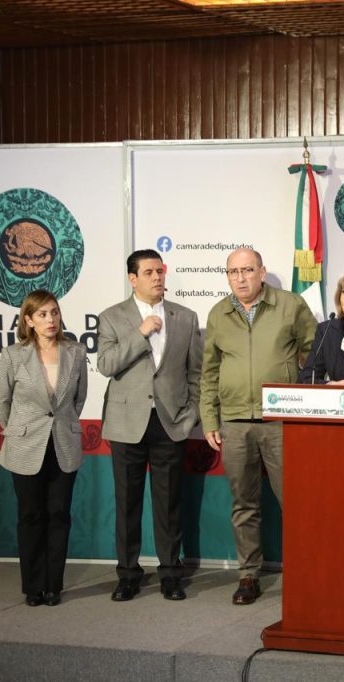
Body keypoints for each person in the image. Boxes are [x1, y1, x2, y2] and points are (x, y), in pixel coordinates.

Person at [200, 247, 317, 605]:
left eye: (247, 270)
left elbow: (315, 355)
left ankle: (306, 573)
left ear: (262, 272)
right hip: (235, 422)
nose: (241, 278)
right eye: (233, 272)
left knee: (295, 501)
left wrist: (301, 401)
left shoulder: (290, 305)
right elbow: (209, 371)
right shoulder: (218, 313)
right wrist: (210, 418)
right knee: (244, 504)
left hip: (281, 421)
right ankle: (248, 574)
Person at [97, 249, 202, 602]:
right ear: (133, 279)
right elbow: (106, 364)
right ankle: (128, 575)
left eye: (160, 271)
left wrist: (190, 415)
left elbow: (196, 372)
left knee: (169, 504)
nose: (157, 277)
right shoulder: (112, 317)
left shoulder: (185, 317)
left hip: (170, 423)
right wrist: (140, 333)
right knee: (127, 504)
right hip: (127, 424)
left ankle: (171, 573)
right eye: (149, 272)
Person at [0, 289, 88, 607]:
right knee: (30, 515)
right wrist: (18, 429)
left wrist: (61, 423)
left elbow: (79, 399)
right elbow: (1, 399)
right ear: (29, 320)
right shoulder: (13, 355)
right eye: (43, 314)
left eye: (54, 312)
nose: (50, 319)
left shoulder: (75, 351)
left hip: (63, 443)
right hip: (25, 444)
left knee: (59, 514)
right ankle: (33, 586)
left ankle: (53, 587)